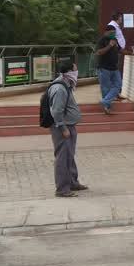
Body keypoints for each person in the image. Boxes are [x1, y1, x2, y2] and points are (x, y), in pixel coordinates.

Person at [48, 60, 87, 197]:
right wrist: (63, 128)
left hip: (68, 125)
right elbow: (57, 111)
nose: (77, 73)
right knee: (63, 157)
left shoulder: (66, 84)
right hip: (62, 127)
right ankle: (62, 189)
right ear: (69, 72)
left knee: (69, 155)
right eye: (75, 70)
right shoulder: (60, 88)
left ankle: (72, 182)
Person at [96, 25, 123, 114]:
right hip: (104, 68)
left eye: (114, 32)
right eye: (111, 32)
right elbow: (99, 52)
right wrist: (109, 45)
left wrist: (132, 53)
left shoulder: (115, 39)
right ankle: (107, 108)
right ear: (106, 32)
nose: (113, 34)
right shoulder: (102, 40)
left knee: (118, 84)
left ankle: (104, 102)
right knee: (105, 88)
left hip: (114, 68)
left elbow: (120, 50)